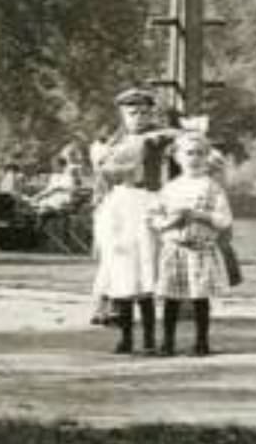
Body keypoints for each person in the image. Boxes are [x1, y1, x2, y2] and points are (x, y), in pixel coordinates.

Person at [92, 86, 175, 355]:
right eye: (132, 112)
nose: (138, 117)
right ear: (122, 114)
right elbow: (102, 177)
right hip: (118, 205)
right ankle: (125, 336)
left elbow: (179, 139)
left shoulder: (157, 137)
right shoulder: (112, 142)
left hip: (145, 201)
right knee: (120, 270)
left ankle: (150, 338)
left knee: (146, 269)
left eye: (143, 112)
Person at [150, 130, 233, 356]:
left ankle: (201, 342)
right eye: (189, 153)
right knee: (171, 297)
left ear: (207, 156)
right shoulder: (171, 188)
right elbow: (154, 218)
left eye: (199, 153)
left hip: (200, 249)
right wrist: (170, 221)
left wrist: (201, 216)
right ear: (178, 157)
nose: (194, 158)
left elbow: (224, 219)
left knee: (199, 297)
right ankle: (167, 342)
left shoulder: (212, 187)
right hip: (175, 247)